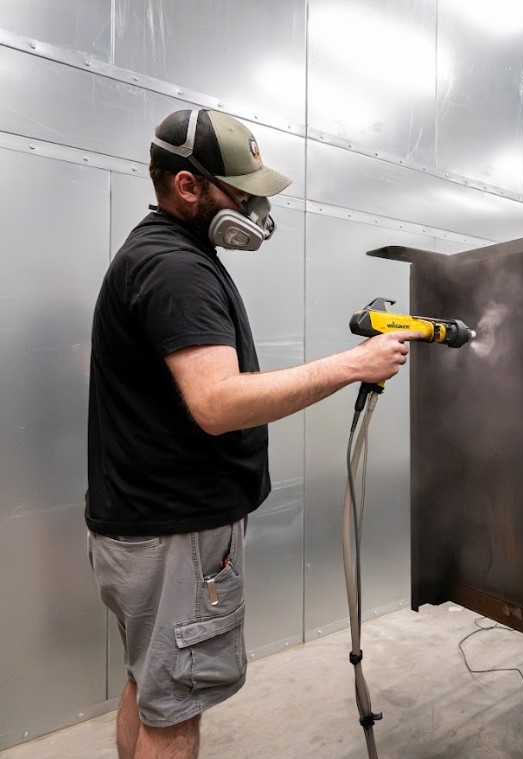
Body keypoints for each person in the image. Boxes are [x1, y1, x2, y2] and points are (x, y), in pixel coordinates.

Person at [84, 108, 420, 759]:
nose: (254, 206)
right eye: (241, 191)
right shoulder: (176, 269)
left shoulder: (158, 253)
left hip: (141, 525)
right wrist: (355, 365)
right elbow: (217, 403)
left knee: (150, 684)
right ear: (188, 186)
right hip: (175, 534)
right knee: (174, 713)